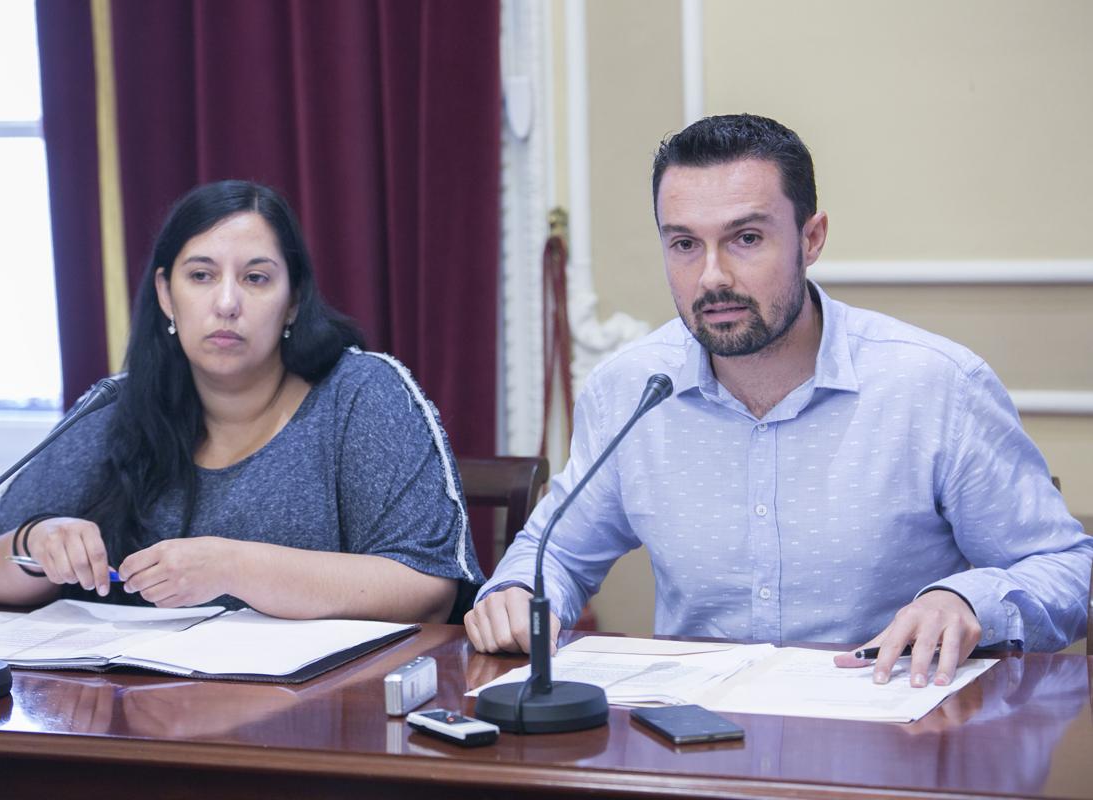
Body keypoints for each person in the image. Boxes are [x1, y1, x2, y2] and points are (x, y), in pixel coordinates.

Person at [466, 114, 1092, 687]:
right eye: (684, 244)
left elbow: (1068, 570)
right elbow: (556, 554)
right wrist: (520, 592)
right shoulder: (631, 388)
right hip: (695, 746)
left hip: (890, 735)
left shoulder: (934, 387)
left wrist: (966, 600)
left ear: (811, 238)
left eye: (745, 238)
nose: (711, 277)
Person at [0, 180, 482, 623]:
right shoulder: (114, 407)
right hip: (130, 718)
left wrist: (233, 567)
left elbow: (430, 586)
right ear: (167, 294)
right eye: (201, 276)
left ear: (293, 299)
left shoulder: (360, 395)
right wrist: (34, 542)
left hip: (317, 721)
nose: (227, 303)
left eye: (255, 278)